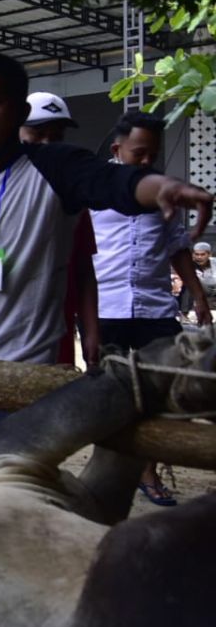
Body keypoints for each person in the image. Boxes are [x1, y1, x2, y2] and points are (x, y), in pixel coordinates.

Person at [0, 54, 214, 484]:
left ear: (17, 111)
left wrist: (163, 188)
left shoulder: (53, 168)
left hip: (12, 382)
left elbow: (112, 182)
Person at [91, 110, 212, 505]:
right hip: (105, 308)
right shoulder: (93, 189)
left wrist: (199, 295)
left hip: (156, 309)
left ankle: (149, 471)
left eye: (152, 156)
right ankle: (104, 470)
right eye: (139, 154)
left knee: (160, 392)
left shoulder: (164, 194)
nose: (146, 163)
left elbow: (177, 248)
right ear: (116, 149)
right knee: (109, 392)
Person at [20, 91, 101, 368]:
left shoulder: (71, 200)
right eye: (38, 133)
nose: (48, 144)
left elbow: (83, 270)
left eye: (56, 136)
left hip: (56, 339)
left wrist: (91, 331)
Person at [191, 241, 216, 315]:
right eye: (197, 254)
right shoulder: (187, 265)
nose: (199, 257)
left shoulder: (214, 263)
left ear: (209, 255)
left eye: (202, 254)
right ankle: (185, 313)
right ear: (193, 255)